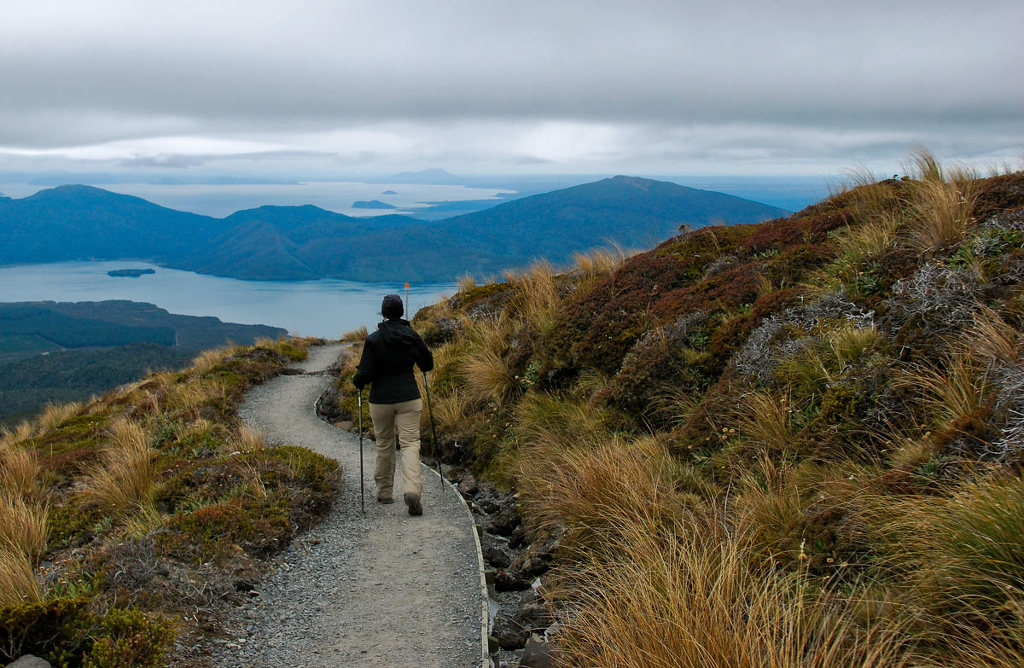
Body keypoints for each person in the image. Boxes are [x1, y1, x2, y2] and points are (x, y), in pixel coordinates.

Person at [353, 294, 434, 516]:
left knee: (384, 443)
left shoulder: (373, 340)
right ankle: (412, 491)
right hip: (409, 397)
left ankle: (385, 492)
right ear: (401, 313)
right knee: (409, 444)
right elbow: (427, 364)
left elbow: (365, 374)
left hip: (380, 400)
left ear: (384, 314)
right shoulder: (413, 337)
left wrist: (357, 380)